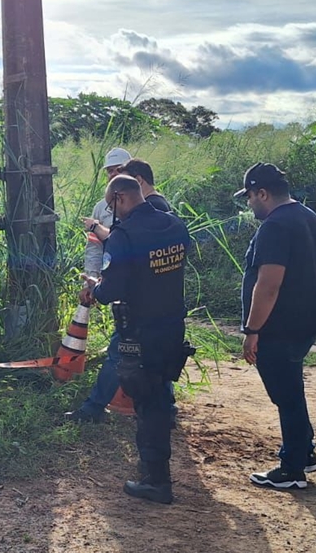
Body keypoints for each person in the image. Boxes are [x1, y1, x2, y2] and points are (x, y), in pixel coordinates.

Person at [79, 175, 190, 504]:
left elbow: (111, 290)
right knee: (158, 395)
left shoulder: (123, 237)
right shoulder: (175, 226)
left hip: (141, 331)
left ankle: (157, 481)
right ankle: (155, 473)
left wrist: (93, 285)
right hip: (173, 326)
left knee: (148, 403)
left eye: (112, 205)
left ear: (120, 199)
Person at [235, 163, 316, 490]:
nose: (248, 204)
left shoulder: (275, 226)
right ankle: (306, 453)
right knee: (291, 390)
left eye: (249, 197)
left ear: (262, 193)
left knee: (286, 396)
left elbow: (269, 284)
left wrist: (252, 330)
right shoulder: (307, 217)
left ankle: (292, 469)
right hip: (305, 321)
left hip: (279, 326)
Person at [64, 147, 131, 424]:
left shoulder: (145, 206)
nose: (114, 174)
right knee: (127, 342)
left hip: (134, 282)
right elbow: (94, 248)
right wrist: (91, 279)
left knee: (127, 344)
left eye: (119, 169)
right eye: (110, 171)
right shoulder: (100, 208)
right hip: (111, 280)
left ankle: (96, 407)